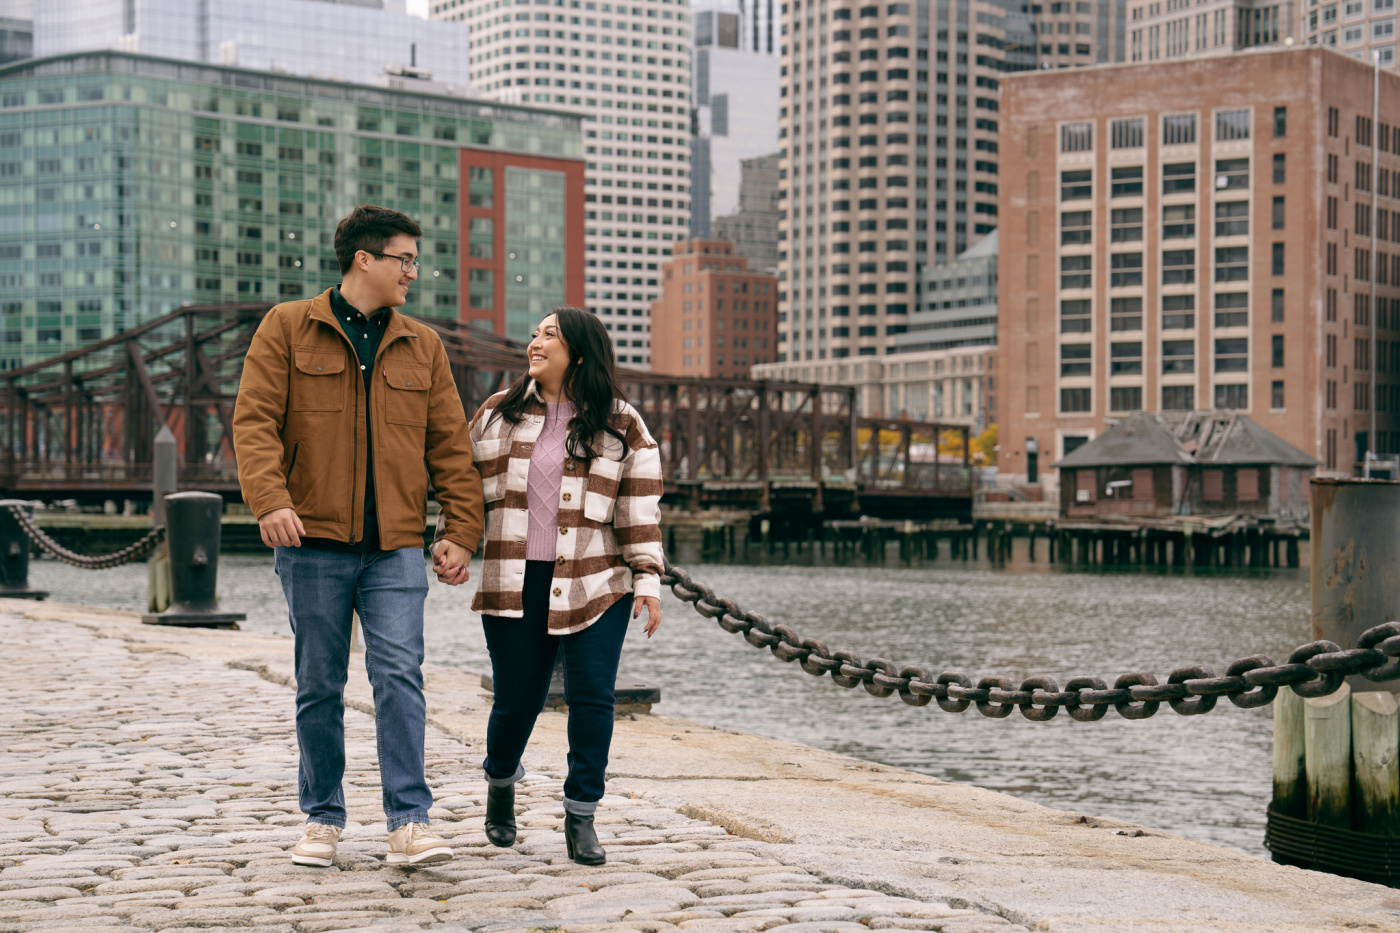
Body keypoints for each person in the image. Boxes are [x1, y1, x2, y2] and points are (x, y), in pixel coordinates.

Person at [232, 204, 483, 868]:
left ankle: (410, 820)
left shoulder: (422, 345)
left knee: (400, 673)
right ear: (364, 260)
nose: (414, 271)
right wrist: (270, 500)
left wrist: (460, 527)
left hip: (395, 545)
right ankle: (322, 817)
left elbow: (450, 448)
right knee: (319, 681)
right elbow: (254, 422)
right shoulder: (287, 327)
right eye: (405, 258)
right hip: (311, 542)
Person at [432, 306, 663, 866]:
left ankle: (582, 814)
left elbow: (639, 509)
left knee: (592, 699)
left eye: (549, 335)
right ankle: (501, 781)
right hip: (516, 579)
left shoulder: (623, 424)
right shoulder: (495, 415)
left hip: (597, 582)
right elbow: (462, 487)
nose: (535, 342)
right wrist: (452, 540)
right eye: (534, 333)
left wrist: (648, 579)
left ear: (578, 353)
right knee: (518, 701)